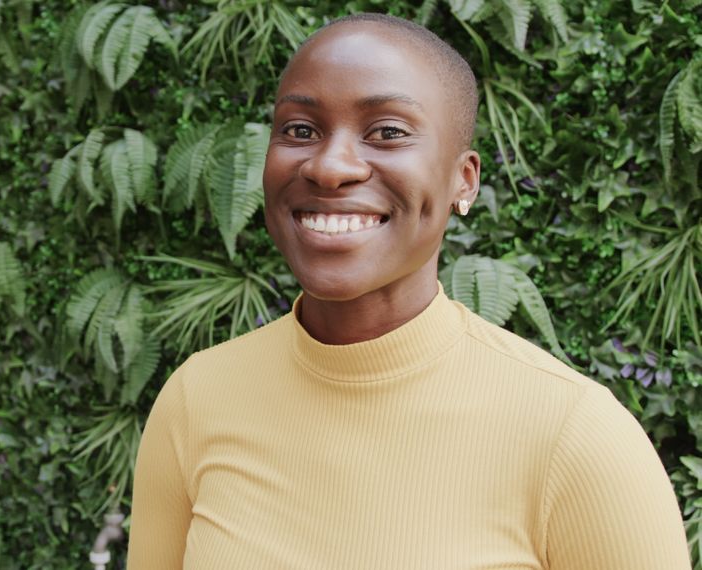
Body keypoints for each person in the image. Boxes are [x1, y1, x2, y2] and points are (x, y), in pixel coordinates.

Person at [127, 12, 691, 570]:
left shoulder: (575, 436)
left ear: (462, 179)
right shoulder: (196, 399)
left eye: (388, 132)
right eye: (300, 129)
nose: (329, 167)